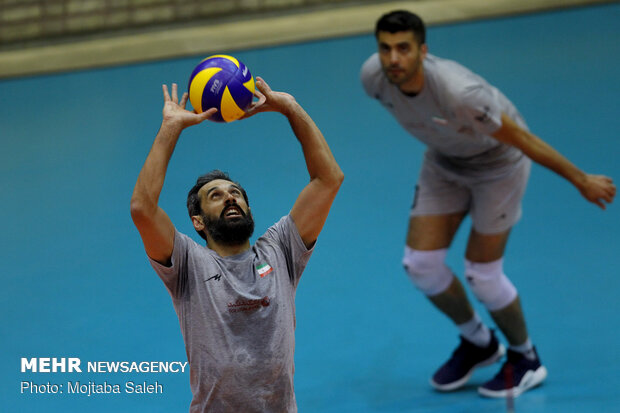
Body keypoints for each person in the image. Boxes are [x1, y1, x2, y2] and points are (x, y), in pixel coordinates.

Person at [360, 10, 615, 398]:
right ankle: (479, 343)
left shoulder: (460, 93)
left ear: (423, 51)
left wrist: (580, 179)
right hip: (444, 163)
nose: (393, 59)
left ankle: (526, 357)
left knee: (483, 273)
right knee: (421, 266)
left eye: (403, 49)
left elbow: (522, 139)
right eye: (385, 48)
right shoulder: (373, 79)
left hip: (499, 165)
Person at [130, 78, 343, 412]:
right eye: (215, 196)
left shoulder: (280, 249)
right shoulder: (188, 265)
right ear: (198, 221)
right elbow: (143, 209)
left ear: (248, 210)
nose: (230, 197)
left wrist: (289, 106)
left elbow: (328, 179)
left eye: (236, 194)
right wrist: (171, 128)